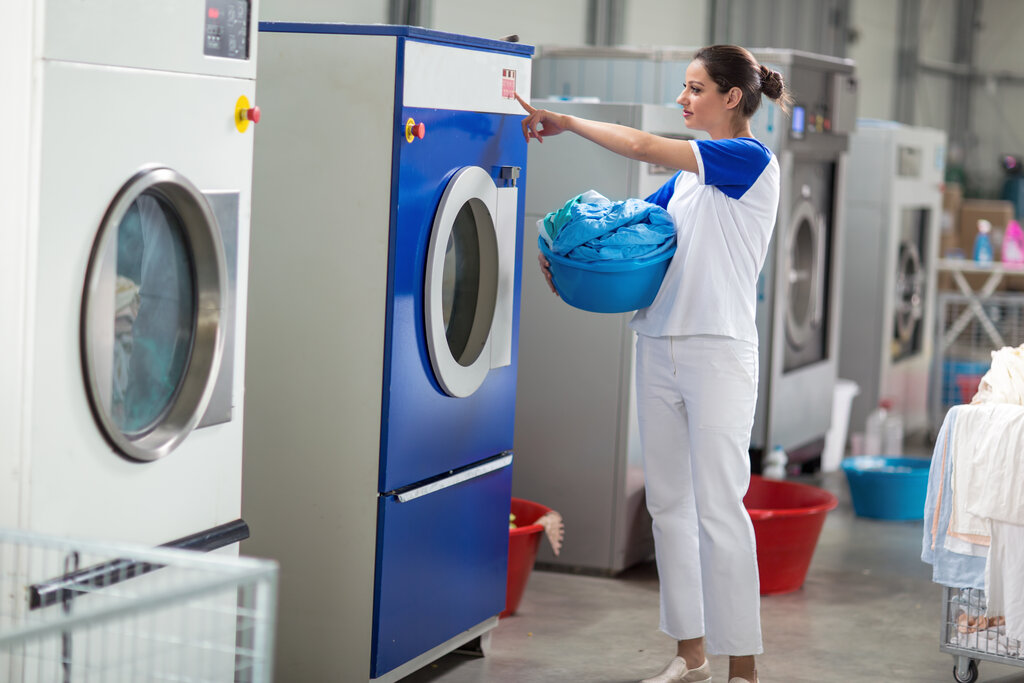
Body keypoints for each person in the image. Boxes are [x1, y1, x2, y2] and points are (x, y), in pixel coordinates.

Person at [517, 45, 791, 683]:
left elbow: (642, 146)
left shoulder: (748, 160)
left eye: (695, 89)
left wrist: (570, 121)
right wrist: (573, 267)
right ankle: (690, 654)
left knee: (720, 506)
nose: (683, 99)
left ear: (731, 97)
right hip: (659, 345)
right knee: (669, 505)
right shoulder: (688, 182)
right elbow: (637, 242)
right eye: (683, 87)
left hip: (718, 353)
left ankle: (742, 669)